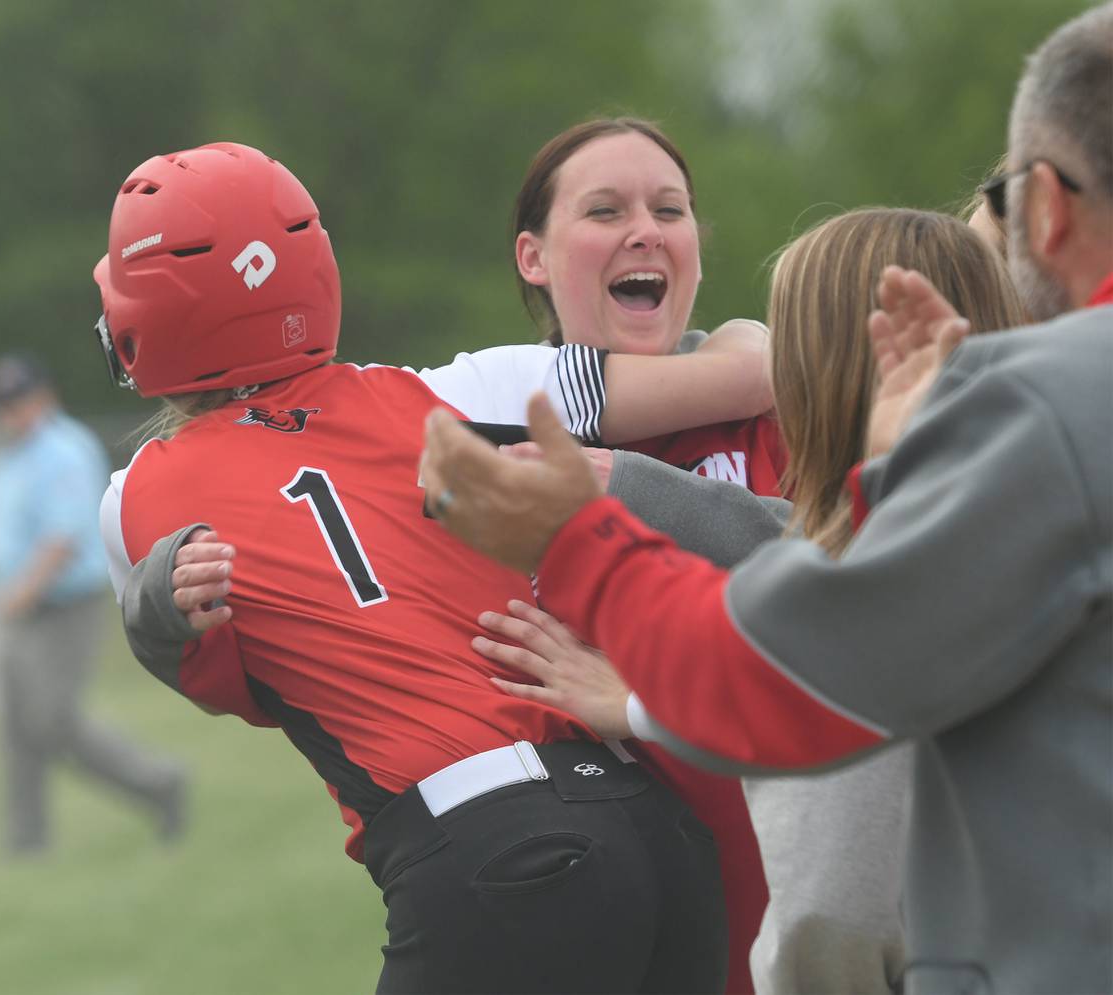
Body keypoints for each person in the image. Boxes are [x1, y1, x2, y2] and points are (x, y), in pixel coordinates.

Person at [419, 6, 1113, 992]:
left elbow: (842, 630)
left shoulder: (808, 408)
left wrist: (624, 542)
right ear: (532, 255)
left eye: (669, 205)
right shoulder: (469, 425)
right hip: (611, 922)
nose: (646, 231)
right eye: (606, 210)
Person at [94, 140, 783, 993]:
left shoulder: (131, 502)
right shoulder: (464, 391)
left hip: (485, 851)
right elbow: (752, 370)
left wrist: (156, 617)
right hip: (655, 830)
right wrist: (751, 329)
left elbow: (240, 686)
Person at [472, 207, 1025, 994]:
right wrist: (643, 706)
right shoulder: (1040, 522)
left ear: (835, 366)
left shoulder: (872, 592)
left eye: (788, 345)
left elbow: (835, 910)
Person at [0, 353, 188, 855]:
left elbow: (63, 538)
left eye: (18, 400)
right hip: (22, 610)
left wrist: (23, 591)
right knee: (15, 728)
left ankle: (160, 784)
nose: (9, 412)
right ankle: (26, 839)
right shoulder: (7, 460)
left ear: (44, 397)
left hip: (61, 607)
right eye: (2, 403)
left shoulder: (64, 450)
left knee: (53, 721)